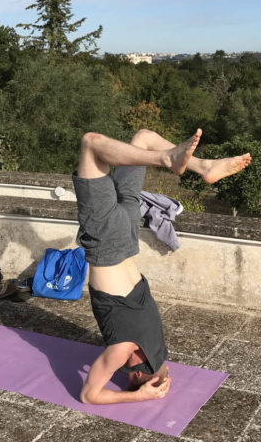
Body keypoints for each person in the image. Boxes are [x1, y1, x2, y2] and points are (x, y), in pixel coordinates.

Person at [75, 128, 251, 404]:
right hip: (105, 240)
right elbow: (89, 395)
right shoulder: (122, 351)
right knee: (91, 143)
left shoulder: (158, 346)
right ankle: (172, 160)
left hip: (127, 236)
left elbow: (158, 367)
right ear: (134, 376)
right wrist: (139, 396)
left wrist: (154, 381)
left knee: (144, 137)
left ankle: (203, 167)